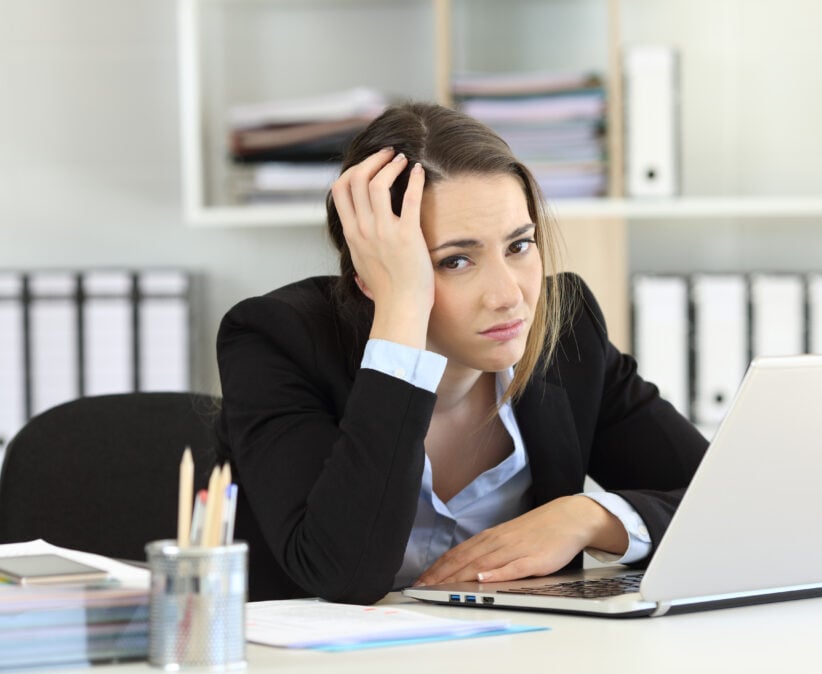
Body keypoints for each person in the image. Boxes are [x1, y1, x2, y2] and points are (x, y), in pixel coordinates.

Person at [215, 102, 709, 604]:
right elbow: (344, 572)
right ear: (370, 272)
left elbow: (727, 504)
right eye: (455, 260)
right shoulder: (277, 340)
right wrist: (402, 307)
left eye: (519, 246)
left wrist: (587, 517)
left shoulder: (567, 330)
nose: (508, 295)